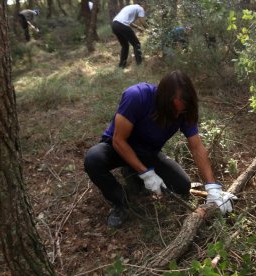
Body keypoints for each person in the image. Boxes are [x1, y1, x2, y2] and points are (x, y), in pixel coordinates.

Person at [84, 70, 237, 228]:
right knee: (93, 160)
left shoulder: (185, 110)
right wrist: (146, 174)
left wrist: (212, 187)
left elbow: (197, 147)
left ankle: (132, 172)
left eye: (181, 110)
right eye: (174, 109)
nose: (178, 114)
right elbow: (119, 140)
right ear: (162, 99)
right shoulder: (137, 96)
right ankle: (121, 203)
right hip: (118, 148)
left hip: (148, 152)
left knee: (182, 186)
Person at [111, 2, 148, 68]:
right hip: (122, 25)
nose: (145, 8)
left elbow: (127, 21)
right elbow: (142, 21)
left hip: (114, 25)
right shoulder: (140, 8)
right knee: (136, 44)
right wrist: (148, 29)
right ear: (143, 4)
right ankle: (139, 64)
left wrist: (137, 27)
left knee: (125, 45)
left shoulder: (129, 7)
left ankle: (121, 66)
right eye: (146, 6)